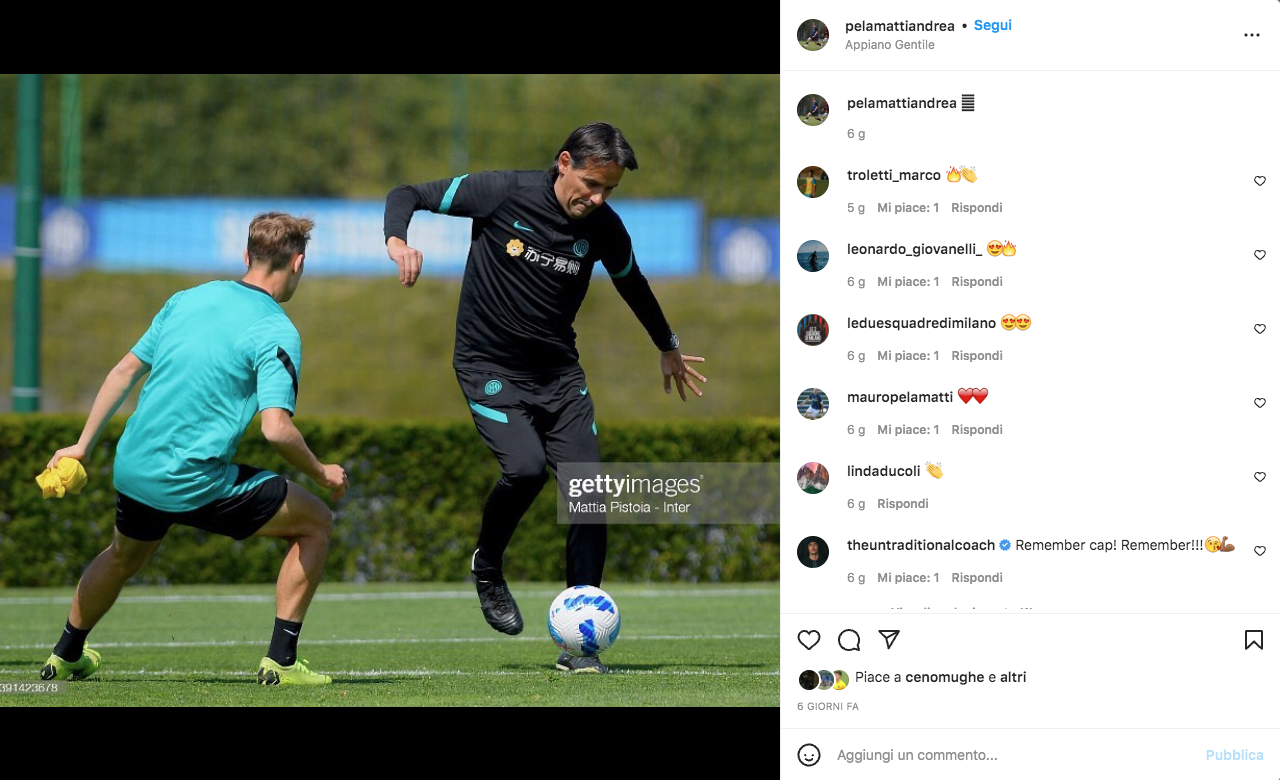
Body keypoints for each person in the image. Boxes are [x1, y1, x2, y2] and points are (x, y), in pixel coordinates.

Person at [384, 122, 707, 674]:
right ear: (563, 163)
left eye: (609, 189)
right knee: (526, 469)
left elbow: (632, 282)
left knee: (589, 495)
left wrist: (667, 346)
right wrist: (397, 241)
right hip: (488, 368)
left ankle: (580, 647)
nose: (597, 198)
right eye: (591, 183)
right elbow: (406, 194)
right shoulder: (500, 192)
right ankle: (487, 566)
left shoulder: (605, 227)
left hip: (559, 377)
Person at [39, 212, 348, 686]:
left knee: (123, 555)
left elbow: (123, 372)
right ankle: (281, 662)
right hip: (192, 479)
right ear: (298, 263)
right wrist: (322, 471)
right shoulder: (277, 329)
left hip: (135, 467)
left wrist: (82, 445)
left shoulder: (186, 299)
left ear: (246, 256)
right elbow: (276, 430)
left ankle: (64, 655)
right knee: (316, 523)